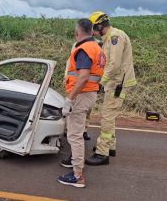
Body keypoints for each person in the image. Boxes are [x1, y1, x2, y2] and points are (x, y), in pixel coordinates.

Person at [57, 18, 105, 188]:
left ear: (77, 33)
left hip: (81, 95)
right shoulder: (97, 48)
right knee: (76, 133)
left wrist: (69, 99)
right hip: (91, 93)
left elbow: (83, 77)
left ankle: (78, 176)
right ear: (92, 31)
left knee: (74, 135)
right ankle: (75, 164)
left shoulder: (84, 49)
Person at [86, 11, 137, 165]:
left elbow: (114, 64)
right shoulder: (108, 38)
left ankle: (102, 153)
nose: (93, 33)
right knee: (109, 115)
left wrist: (100, 82)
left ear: (100, 26)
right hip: (114, 82)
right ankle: (110, 147)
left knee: (106, 117)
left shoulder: (116, 37)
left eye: (94, 29)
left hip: (118, 83)